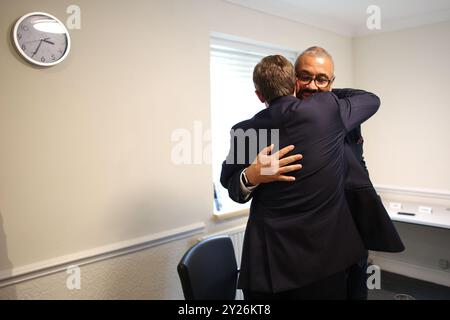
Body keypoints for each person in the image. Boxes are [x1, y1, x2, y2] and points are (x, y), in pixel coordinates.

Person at [222, 47, 405, 300]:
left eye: (322, 79)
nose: (313, 86)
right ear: (293, 80)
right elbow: (233, 189)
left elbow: (359, 160)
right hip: (276, 257)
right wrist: (251, 175)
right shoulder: (251, 131)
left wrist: (326, 93)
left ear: (332, 82)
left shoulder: (337, 112)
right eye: (305, 77)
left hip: (344, 242)